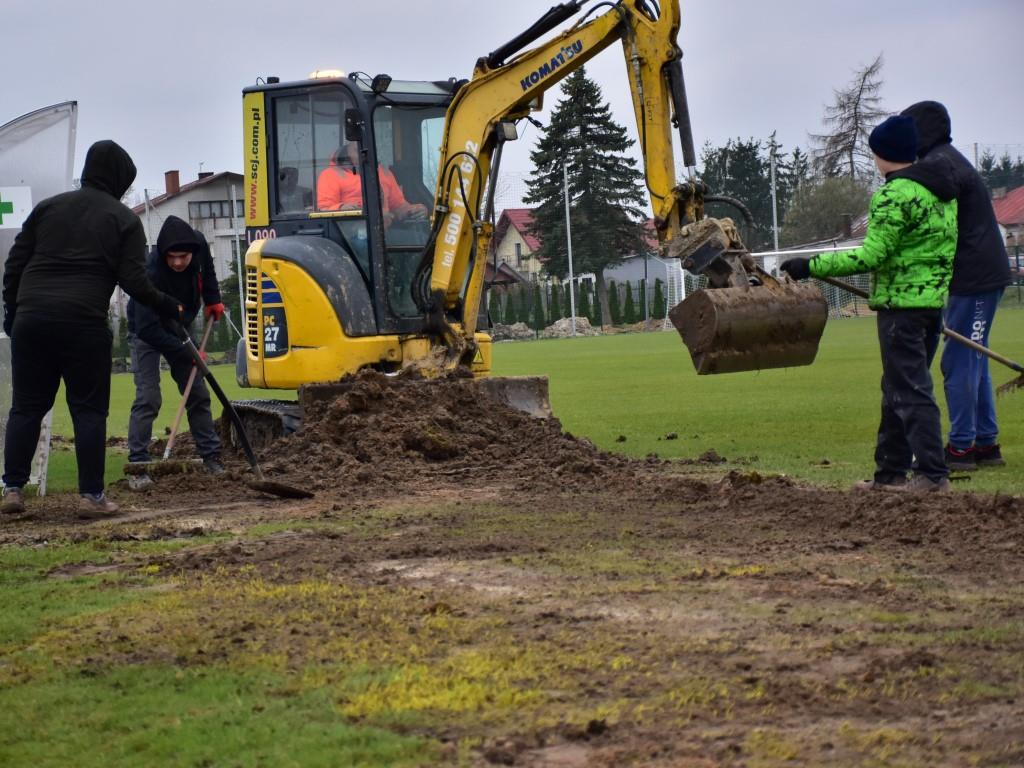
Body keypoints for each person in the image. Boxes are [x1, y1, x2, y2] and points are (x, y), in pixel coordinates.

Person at [1, 140, 184, 518]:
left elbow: (15, 265)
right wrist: (168, 305)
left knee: (26, 407)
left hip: (32, 320)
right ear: (118, 179)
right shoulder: (122, 219)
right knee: (88, 410)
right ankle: (91, 497)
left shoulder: (48, 208)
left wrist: (13, 315)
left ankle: (13, 490)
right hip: (83, 323)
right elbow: (134, 281)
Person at [781, 115, 958, 493]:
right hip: (930, 305)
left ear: (882, 154)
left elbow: (871, 255)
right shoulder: (940, 194)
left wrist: (809, 266)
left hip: (902, 309)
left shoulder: (894, 194)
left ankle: (931, 474)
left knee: (910, 391)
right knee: (897, 387)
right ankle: (889, 474)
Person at [901, 101, 1013, 472]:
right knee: (972, 356)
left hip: (976, 277)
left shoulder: (940, 164)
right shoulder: (945, 158)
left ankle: (962, 448)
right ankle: (986, 443)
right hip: (979, 274)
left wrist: (900, 175)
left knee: (960, 359)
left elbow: (938, 186)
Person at [126, 216, 226, 490]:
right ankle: (138, 466)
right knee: (148, 397)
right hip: (146, 330)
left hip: (181, 324)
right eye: (173, 257)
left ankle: (211, 457)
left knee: (197, 394)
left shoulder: (199, 246)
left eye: (183, 257)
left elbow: (208, 271)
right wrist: (186, 351)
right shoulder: (150, 270)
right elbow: (148, 329)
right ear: (163, 253)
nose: (179, 262)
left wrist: (213, 298)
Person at [316, 142, 428, 224]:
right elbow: (324, 210)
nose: (363, 154)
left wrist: (413, 210)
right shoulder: (330, 174)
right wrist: (342, 208)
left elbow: (398, 206)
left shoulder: (384, 173)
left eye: (367, 150)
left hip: (383, 234)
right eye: (357, 150)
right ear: (346, 151)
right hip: (349, 235)